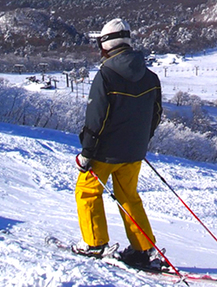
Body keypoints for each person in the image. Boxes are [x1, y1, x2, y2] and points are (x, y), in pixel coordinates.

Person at [73, 18, 163, 269]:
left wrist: (87, 153)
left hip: (104, 153)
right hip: (134, 153)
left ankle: (95, 243)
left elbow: (96, 118)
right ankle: (142, 249)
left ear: (106, 46)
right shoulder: (151, 77)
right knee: (129, 197)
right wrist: (141, 141)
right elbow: (155, 114)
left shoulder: (106, 76)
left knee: (87, 191)